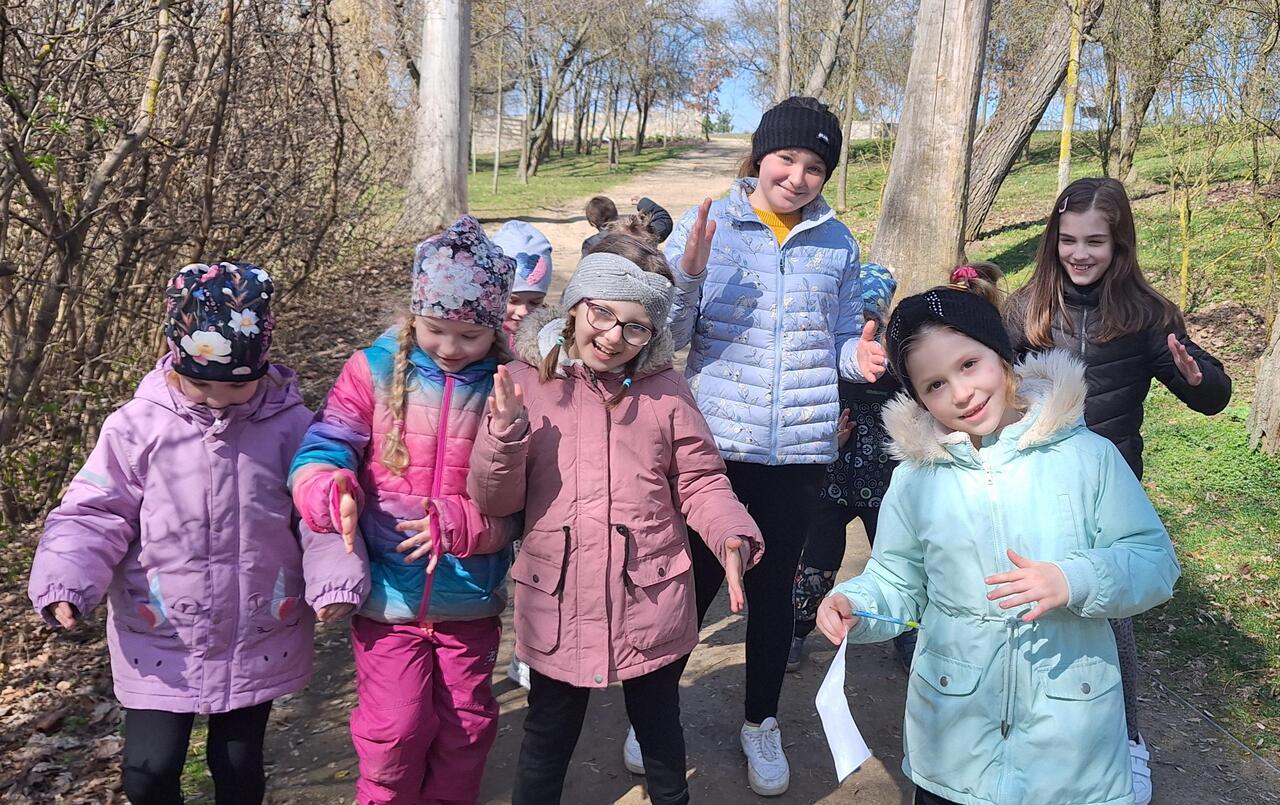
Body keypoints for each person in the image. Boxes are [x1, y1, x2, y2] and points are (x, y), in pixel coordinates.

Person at [817, 264, 1181, 805]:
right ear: (917, 397)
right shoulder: (916, 479)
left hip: (1069, 745)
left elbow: (1153, 561)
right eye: (935, 385)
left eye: (969, 364)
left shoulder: (1087, 458)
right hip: (955, 744)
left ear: (1001, 354)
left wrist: (1074, 579)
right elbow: (898, 579)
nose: (962, 393)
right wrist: (857, 604)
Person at [28, 261, 366, 805]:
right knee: (149, 772)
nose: (216, 398)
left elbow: (320, 514)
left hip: (257, 626)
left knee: (237, 766)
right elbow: (94, 512)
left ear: (263, 366)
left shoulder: (293, 427)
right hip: (160, 628)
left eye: (234, 386)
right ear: (174, 359)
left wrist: (334, 580)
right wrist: (67, 579)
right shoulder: (136, 427)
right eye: (200, 383)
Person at [467, 235, 764, 805]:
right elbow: (495, 500)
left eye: (635, 327)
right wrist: (503, 435)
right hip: (556, 601)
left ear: (652, 333)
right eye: (602, 313)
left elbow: (701, 479)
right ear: (576, 304)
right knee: (547, 734)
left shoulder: (666, 391)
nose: (612, 336)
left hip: (650, 597)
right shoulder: (525, 384)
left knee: (659, 730)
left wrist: (731, 532)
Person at [656, 94, 886, 796]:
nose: (797, 176)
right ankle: (653, 715)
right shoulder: (709, 226)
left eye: (815, 166)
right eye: (786, 158)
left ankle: (760, 720)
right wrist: (689, 272)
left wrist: (859, 360)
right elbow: (665, 338)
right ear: (761, 155)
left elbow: (839, 338)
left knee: (773, 592)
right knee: (694, 585)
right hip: (715, 451)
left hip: (799, 454)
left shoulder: (838, 243)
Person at [1005, 176, 1231, 804]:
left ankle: (1127, 738)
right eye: (1069, 240)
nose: (1080, 253)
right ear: (1053, 240)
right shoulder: (1026, 307)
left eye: (1095, 242)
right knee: (1032, 604)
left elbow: (1211, 396)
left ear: (1119, 244)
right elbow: (987, 374)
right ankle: (1028, 727)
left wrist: (1198, 377)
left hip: (1107, 492)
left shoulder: (1146, 315)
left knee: (1110, 619)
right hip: (1032, 481)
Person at [289, 216, 519, 804]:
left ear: (495, 328)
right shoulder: (371, 370)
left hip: (469, 593)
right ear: (415, 314)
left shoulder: (512, 386)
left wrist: (461, 522)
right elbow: (326, 443)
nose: (450, 348)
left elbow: (524, 499)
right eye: (436, 329)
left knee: (467, 727)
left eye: (469, 335)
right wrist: (328, 489)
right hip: (387, 596)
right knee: (394, 728)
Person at [787, 261, 912, 672]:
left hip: (885, 485)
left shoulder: (897, 361)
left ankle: (907, 634)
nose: (863, 328)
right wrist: (829, 439)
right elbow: (804, 411)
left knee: (897, 561)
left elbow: (920, 412)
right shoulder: (827, 357)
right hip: (831, 479)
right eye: (856, 317)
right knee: (817, 560)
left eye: (872, 318)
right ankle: (796, 630)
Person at [492, 220, 555, 354]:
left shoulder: (548, 341)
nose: (523, 311)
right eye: (513, 300)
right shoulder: (472, 336)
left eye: (535, 302)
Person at [582, 194, 673, 255]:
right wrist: (644, 203)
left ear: (592, 224)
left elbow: (585, 271)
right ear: (616, 214)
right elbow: (664, 221)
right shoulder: (640, 233)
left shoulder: (591, 245)